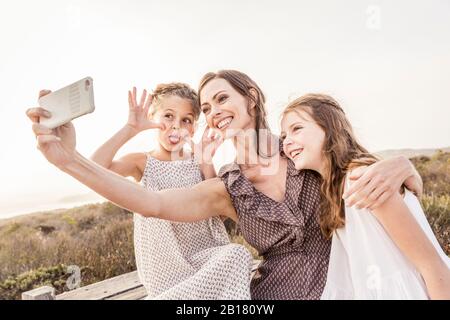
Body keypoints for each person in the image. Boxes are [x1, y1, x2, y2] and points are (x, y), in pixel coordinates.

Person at [26, 70, 423, 299]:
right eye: (206, 108)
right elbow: (151, 203)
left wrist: (404, 167)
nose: (213, 112)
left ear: (251, 98)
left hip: (347, 287)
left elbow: (353, 159)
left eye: (221, 99)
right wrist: (67, 161)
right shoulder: (227, 187)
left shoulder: (303, 148)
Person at [280, 93, 450, 299]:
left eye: (296, 129)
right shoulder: (334, 188)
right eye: (283, 137)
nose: (287, 142)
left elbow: (432, 266)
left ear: (329, 128)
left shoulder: (364, 180)